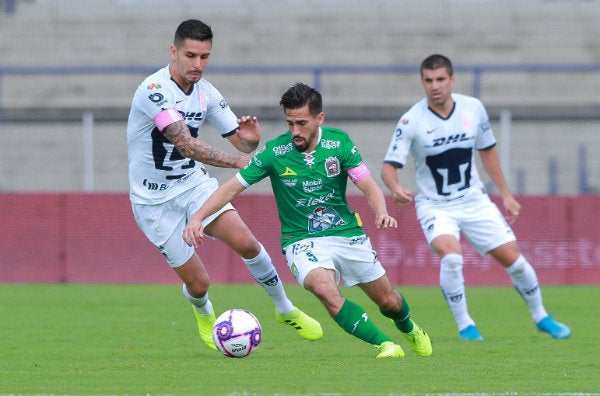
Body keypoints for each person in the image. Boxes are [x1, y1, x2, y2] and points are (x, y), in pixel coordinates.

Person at [183, 82, 433, 358]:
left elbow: (368, 185)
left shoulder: (339, 144)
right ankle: (386, 344)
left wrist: (381, 211)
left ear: (319, 118)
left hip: (346, 233)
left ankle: (409, 329)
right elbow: (231, 188)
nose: (295, 131)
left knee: (389, 302)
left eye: (301, 123)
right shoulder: (274, 153)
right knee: (324, 290)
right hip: (300, 239)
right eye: (290, 123)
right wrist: (198, 217)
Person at [126, 19, 323, 352]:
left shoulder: (206, 93)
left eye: (205, 56)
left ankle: (284, 308)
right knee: (199, 284)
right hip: (153, 202)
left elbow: (241, 144)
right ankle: (204, 313)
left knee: (247, 242)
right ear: (173, 52)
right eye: (190, 55)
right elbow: (187, 145)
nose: (198, 64)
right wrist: (241, 161)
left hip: (192, 186)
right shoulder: (153, 91)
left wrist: (250, 141)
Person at [381, 54, 571, 340]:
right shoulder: (411, 120)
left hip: (474, 200)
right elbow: (388, 168)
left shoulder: (473, 108)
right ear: (422, 82)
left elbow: (488, 151)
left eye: (441, 79)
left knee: (517, 262)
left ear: (452, 80)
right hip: (436, 205)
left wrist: (506, 194)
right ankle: (465, 326)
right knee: (452, 258)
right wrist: (395, 188)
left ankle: (541, 316)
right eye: (429, 80)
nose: (435, 86)